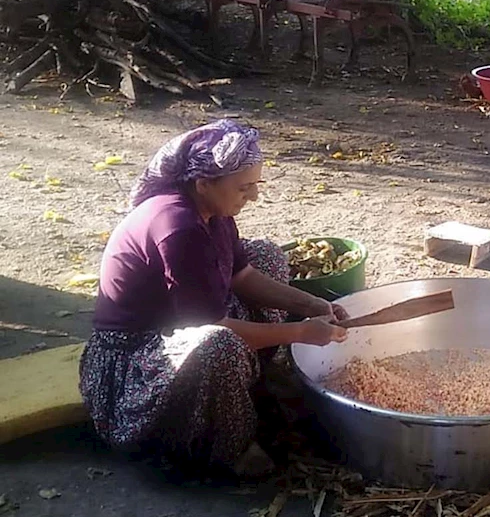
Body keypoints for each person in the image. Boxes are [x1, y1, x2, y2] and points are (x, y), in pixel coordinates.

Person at [78, 119, 349, 479]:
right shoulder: (179, 227)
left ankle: (250, 377)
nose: (253, 196)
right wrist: (299, 333)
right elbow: (211, 327)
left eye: (256, 185)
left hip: (178, 323)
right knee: (218, 345)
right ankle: (226, 446)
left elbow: (244, 276)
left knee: (266, 255)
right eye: (243, 188)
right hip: (134, 359)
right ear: (204, 183)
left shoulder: (214, 212)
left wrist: (313, 305)